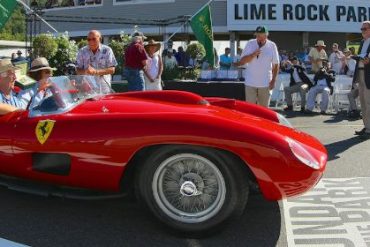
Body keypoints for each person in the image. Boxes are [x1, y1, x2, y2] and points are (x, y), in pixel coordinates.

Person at [234, 26, 279, 107]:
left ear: (266, 35)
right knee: (250, 110)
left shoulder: (272, 45)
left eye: (262, 35)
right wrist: (253, 55)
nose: (259, 38)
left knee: (264, 110)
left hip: (265, 83)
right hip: (250, 83)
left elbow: (276, 64)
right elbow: (242, 62)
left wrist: (273, 80)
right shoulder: (250, 43)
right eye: (258, 35)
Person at [353, 21, 370, 139]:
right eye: (362, 29)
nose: (362, 31)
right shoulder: (362, 42)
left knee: (369, 102)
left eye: (365, 28)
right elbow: (360, 56)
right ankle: (367, 126)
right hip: (360, 73)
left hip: (368, 74)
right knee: (363, 102)